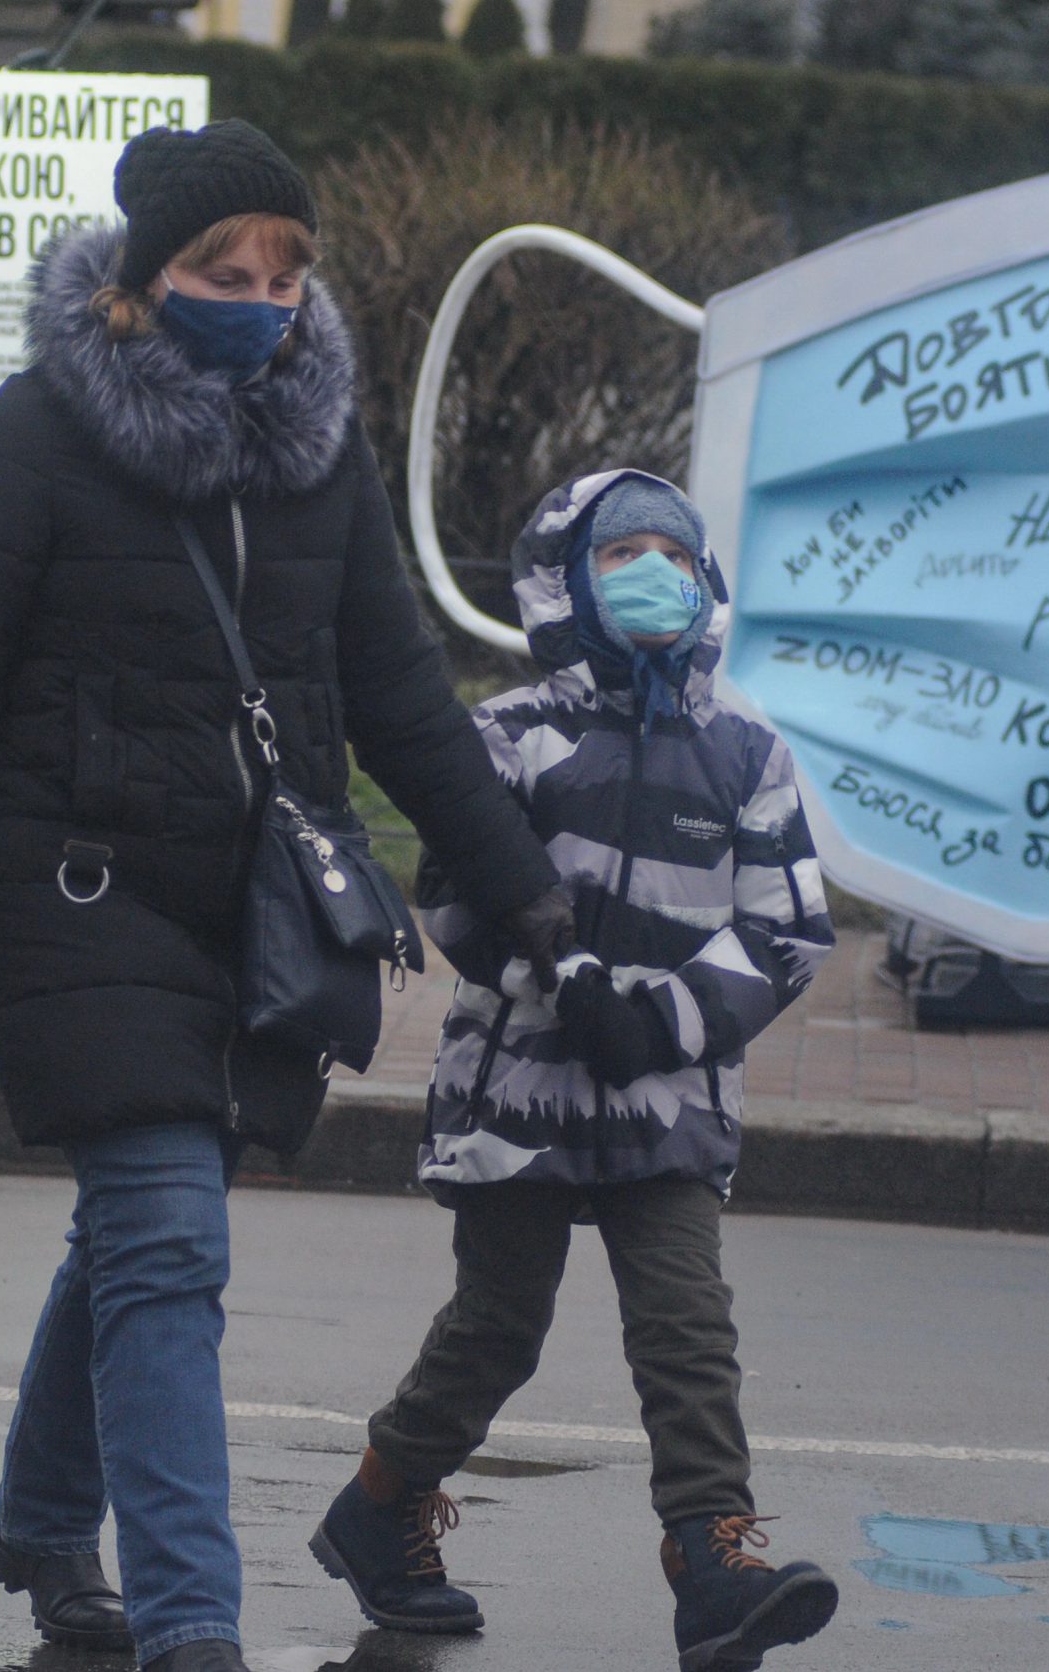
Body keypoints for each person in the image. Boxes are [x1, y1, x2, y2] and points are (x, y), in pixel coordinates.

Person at [0, 120, 574, 1672]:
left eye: (284, 275)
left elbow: (398, 692)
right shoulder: (39, 431)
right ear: (141, 279)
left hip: (257, 907)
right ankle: (191, 1619)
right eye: (223, 273)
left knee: (137, 1232)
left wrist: (524, 889)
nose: (260, 301)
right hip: (79, 887)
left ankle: (47, 1519)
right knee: (170, 1236)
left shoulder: (319, 447)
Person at [310, 470, 841, 1671]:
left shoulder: (745, 753)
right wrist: (565, 984)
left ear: (704, 579)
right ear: (569, 581)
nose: (652, 572)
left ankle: (712, 1560)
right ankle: (381, 1503)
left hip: (670, 1094)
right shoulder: (509, 736)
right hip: (519, 1090)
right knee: (497, 1328)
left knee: (687, 1329)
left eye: (674, 553)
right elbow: (456, 892)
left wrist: (662, 1023)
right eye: (620, 553)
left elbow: (786, 927)